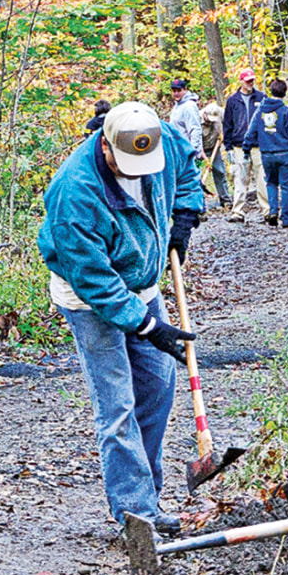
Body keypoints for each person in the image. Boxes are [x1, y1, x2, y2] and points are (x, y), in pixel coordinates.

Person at [37, 101, 205, 538]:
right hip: (89, 299)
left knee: (158, 384)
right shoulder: (74, 191)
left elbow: (186, 167)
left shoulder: (160, 139)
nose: (136, 173)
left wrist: (185, 216)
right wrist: (147, 325)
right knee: (117, 404)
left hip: (142, 284)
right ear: (106, 146)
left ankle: (147, 491)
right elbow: (94, 279)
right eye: (126, 165)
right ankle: (136, 513)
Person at [243, 78, 288, 228]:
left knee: (271, 183)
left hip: (267, 154)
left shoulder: (260, 111)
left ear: (271, 91)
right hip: (286, 153)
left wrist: (246, 149)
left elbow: (250, 132)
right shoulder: (286, 111)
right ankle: (287, 219)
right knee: (286, 186)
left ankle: (273, 211)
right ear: (285, 92)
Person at [220, 69, 268, 222]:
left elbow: (268, 121)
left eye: (252, 80)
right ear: (241, 81)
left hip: (259, 145)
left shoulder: (262, 98)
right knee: (240, 179)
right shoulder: (233, 101)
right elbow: (227, 125)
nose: (250, 83)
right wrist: (228, 148)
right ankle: (238, 212)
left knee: (262, 179)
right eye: (247, 81)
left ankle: (267, 211)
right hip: (239, 145)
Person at [199, 102, 232, 209]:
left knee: (220, 171)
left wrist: (224, 134)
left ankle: (225, 199)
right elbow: (196, 143)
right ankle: (199, 203)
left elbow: (229, 123)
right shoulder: (197, 119)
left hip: (214, 146)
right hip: (200, 149)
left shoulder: (220, 112)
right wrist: (205, 159)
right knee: (196, 175)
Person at [167, 78, 204, 157]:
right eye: (174, 91)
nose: (176, 93)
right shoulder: (177, 105)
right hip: (178, 149)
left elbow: (195, 129)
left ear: (185, 90)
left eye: (179, 90)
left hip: (186, 151)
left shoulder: (189, 106)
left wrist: (193, 151)